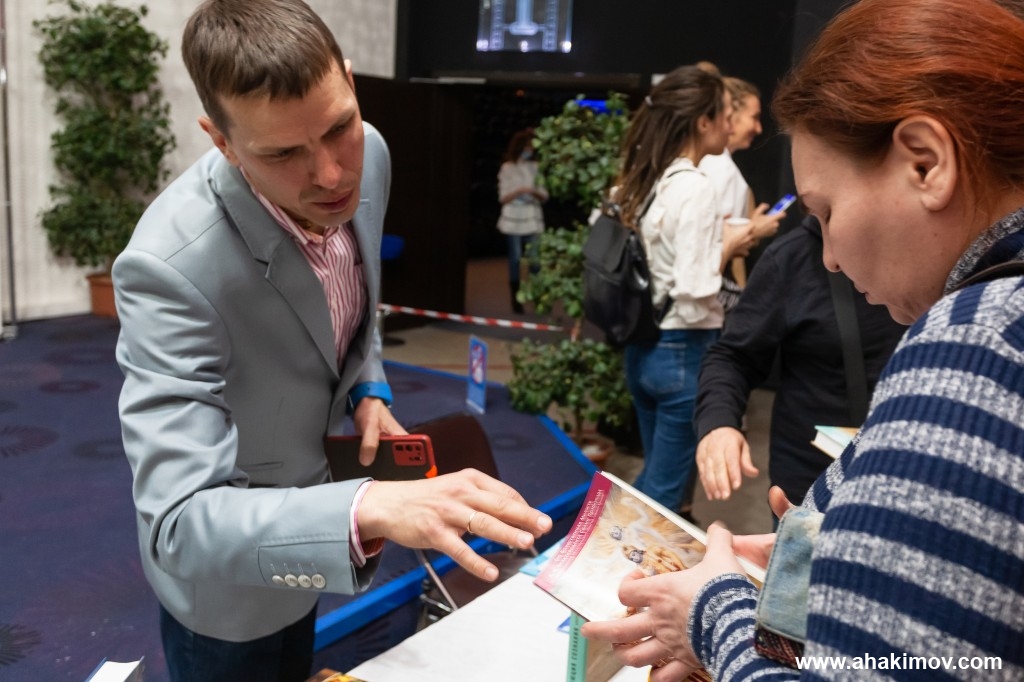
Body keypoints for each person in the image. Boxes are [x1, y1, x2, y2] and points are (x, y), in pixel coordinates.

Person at [581, 0, 1024, 679]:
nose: (830, 258)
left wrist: (711, 615)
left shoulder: (974, 344)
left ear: (927, 163)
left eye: (827, 211)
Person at [112, 1, 552, 679]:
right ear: (221, 141)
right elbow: (178, 522)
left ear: (349, 82)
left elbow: (348, 299)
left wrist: (367, 385)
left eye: (338, 127)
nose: (330, 175)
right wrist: (367, 505)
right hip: (228, 590)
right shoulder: (169, 268)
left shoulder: (371, 153)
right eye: (283, 153)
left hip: (316, 535)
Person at [608, 65, 756, 513]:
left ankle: (614, 546)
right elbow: (695, 286)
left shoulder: (647, 179)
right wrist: (731, 245)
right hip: (684, 350)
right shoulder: (695, 187)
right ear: (703, 122)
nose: (730, 124)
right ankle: (604, 548)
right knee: (663, 494)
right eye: (724, 114)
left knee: (656, 477)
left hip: (644, 345)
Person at [694, 215, 906, 507]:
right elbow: (733, 356)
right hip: (811, 480)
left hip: (906, 472)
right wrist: (718, 422)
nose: (831, 260)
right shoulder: (791, 258)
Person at [496, 127, 548, 313]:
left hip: (532, 217)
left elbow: (544, 194)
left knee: (535, 261)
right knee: (515, 259)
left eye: (532, 147)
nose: (530, 150)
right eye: (527, 147)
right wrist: (519, 191)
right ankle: (516, 299)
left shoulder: (536, 167)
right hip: (513, 219)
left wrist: (532, 192)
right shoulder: (507, 168)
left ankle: (538, 298)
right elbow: (503, 197)